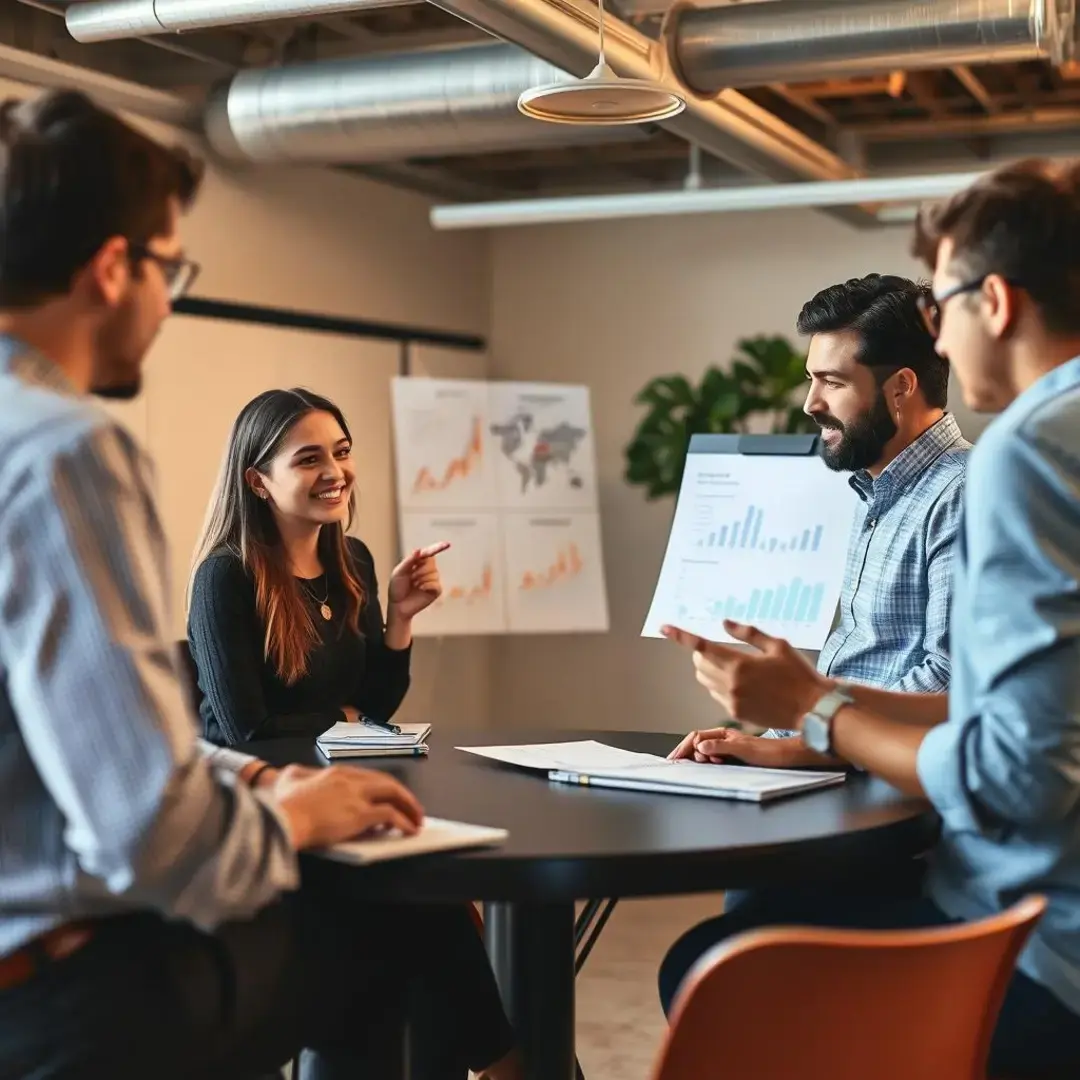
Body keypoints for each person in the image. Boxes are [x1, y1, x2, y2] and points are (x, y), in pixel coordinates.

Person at [0, 88, 521, 1080]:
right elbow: (151, 828)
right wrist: (295, 812)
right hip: (64, 996)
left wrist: (263, 781)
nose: (167, 300)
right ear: (115, 269)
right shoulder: (66, 453)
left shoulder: (355, 562)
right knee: (398, 930)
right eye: (170, 267)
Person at [658, 157, 1080, 1078]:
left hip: (1031, 942)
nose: (938, 329)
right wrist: (805, 703)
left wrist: (817, 717)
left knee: (709, 969)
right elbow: (1003, 705)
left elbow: (1011, 772)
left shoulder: (1024, 452)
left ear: (995, 302)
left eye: (943, 301)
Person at [671, 274, 969, 771]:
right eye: (812, 379)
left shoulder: (962, 494)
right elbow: (857, 668)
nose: (811, 404)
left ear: (901, 388)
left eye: (832, 381)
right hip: (846, 767)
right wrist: (766, 738)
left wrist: (793, 749)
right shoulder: (872, 489)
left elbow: (950, 680)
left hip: (895, 794)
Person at [188, 386, 445, 745]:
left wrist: (401, 615)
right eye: (309, 460)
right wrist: (346, 719)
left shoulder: (355, 560)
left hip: (332, 777)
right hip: (256, 788)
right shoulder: (224, 576)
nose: (336, 473)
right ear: (258, 482)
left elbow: (377, 708)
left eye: (342, 452)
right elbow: (247, 732)